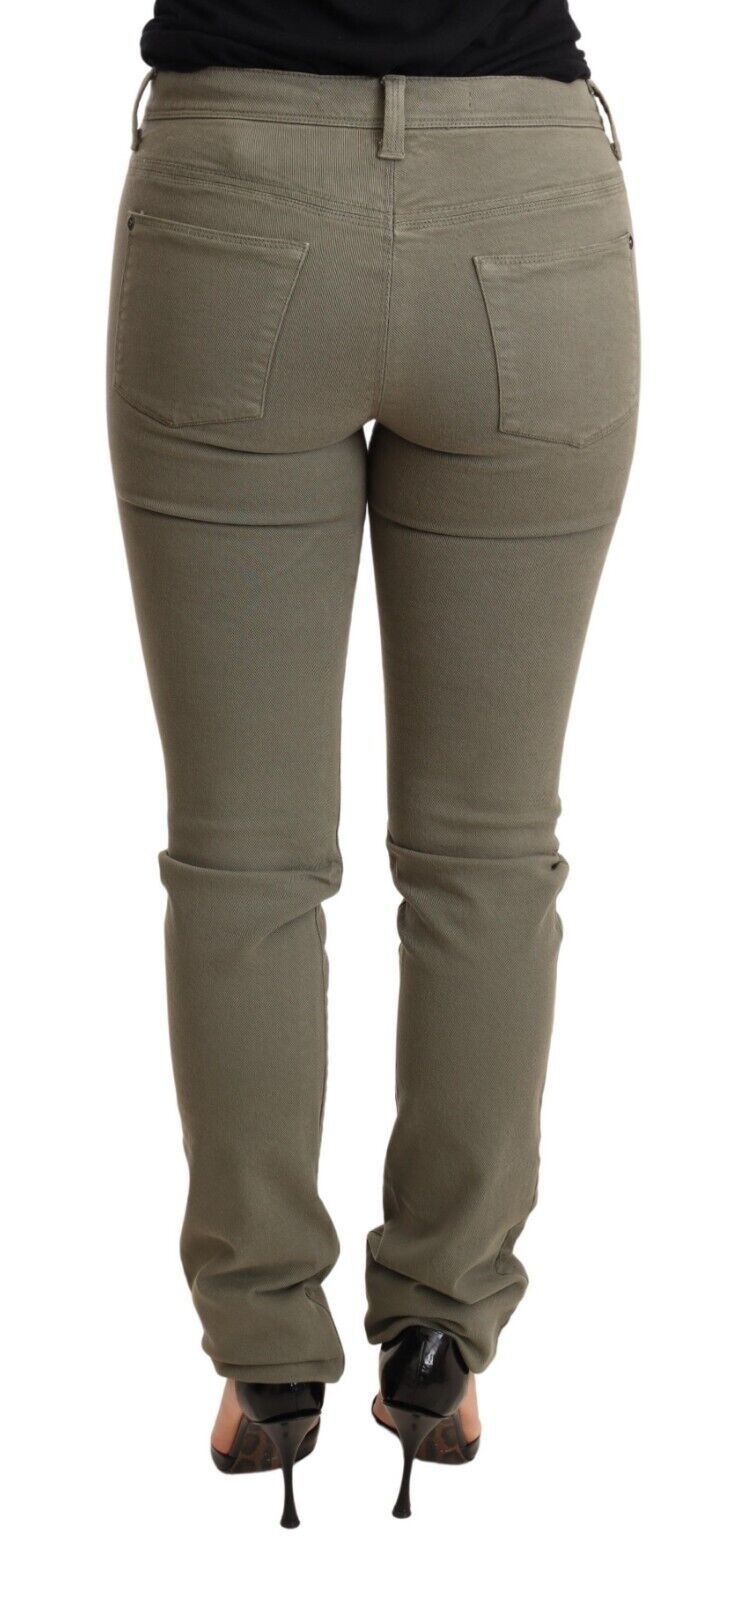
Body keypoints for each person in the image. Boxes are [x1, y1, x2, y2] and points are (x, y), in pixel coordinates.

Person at [108, 0, 639, 1527]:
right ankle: (438, 1334)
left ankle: (269, 1357)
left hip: (234, 194)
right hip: (523, 205)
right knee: (488, 852)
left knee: (243, 858)